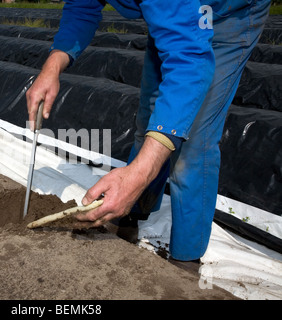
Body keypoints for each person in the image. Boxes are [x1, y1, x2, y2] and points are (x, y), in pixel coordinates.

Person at [25, 0, 271, 265]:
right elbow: (82, 6)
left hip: (225, 14)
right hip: (173, 14)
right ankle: (133, 212)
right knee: (149, 125)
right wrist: (53, 66)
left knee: (193, 144)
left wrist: (140, 173)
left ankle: (184, 262)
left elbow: (190, 62)